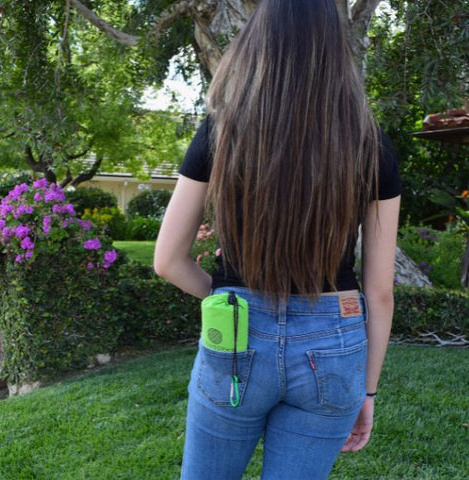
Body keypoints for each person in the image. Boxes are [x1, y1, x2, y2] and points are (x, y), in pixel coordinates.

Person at [154, 0, 401, 478]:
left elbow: (167, 260)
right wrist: (367, 393)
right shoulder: (370, 143)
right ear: (335, 49)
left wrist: (226, 297)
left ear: (258, 42)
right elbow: (380, 293)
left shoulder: (222, 131)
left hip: (236, 341)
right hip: (336, 344)